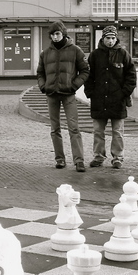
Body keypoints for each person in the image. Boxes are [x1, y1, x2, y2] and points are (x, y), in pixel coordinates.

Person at [37, 20, 90, 172]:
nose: (55, 37)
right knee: (55, 129)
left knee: (74, 128)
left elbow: (85, 70)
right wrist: (43, 86)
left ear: (63, 33)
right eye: (52, 34)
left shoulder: (75, 50)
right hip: (52, 94)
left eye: (57, 34)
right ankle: (59, 159)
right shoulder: (45, 53)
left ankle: (79, 160)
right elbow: (40, 73)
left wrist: (74, 85)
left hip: (68, 95)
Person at [85, 25, 136, 169]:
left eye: (113, 38)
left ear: (116, 38)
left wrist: (124, 93)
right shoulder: (94, 55)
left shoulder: (123, 54)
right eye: (108, 38)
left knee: (117, 131)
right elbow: (88, 76)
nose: (110, 41)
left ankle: (118, 157)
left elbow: (131, 75)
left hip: (117, 100)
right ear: (103, 38)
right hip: (99, 99)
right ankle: (98, 156)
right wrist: (90, 92)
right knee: (98, 131)